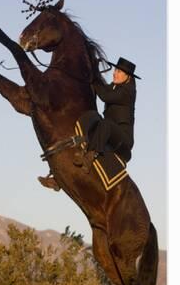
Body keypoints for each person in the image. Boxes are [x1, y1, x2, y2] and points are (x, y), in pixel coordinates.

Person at [38, 57, 140, 191]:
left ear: (128, 78)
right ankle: (58, 179)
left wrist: (94, 75)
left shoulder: (129, 91)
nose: (115, 73)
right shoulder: (113, 87)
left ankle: (90, 155)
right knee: (81, 135)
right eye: (116, 70)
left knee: (105, 124)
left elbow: (105, 96)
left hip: (123, 141)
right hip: (108, 134)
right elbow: (100, 88)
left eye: (120, 72)